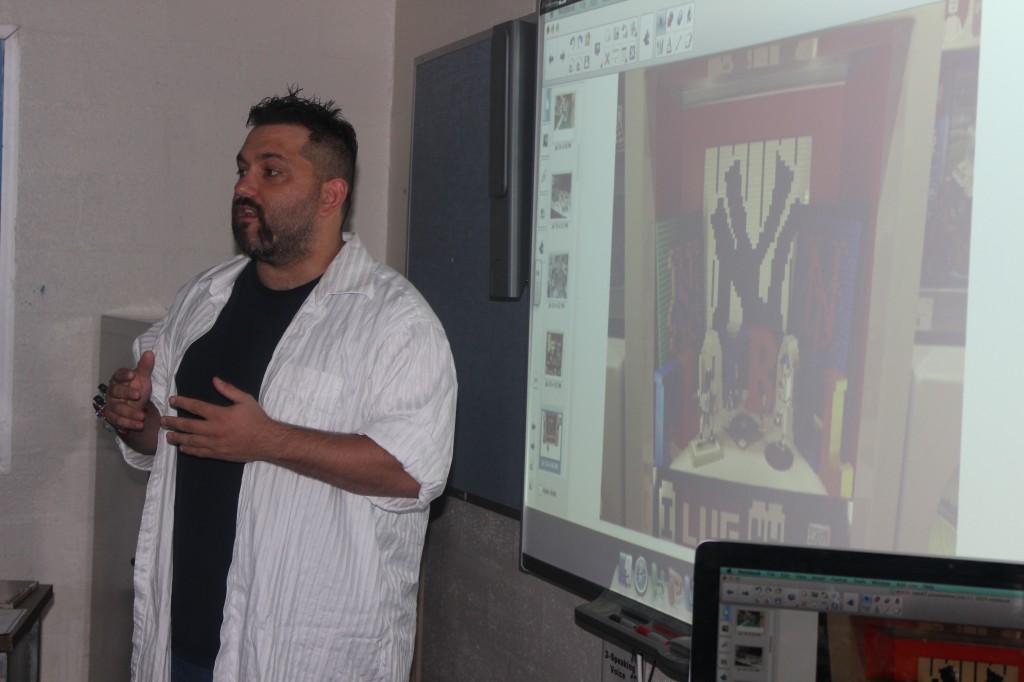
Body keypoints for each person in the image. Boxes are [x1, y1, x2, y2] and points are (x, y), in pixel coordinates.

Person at [96, 88, 457, 682]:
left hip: (305, 651)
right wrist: (134, 417)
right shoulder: (203, 297)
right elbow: (167, 440)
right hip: (182, 641)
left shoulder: (396, 321)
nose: (244, 188)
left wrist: (269, 441)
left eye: (271, 172)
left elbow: (412, 472)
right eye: (243, 170)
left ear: (330, 195)